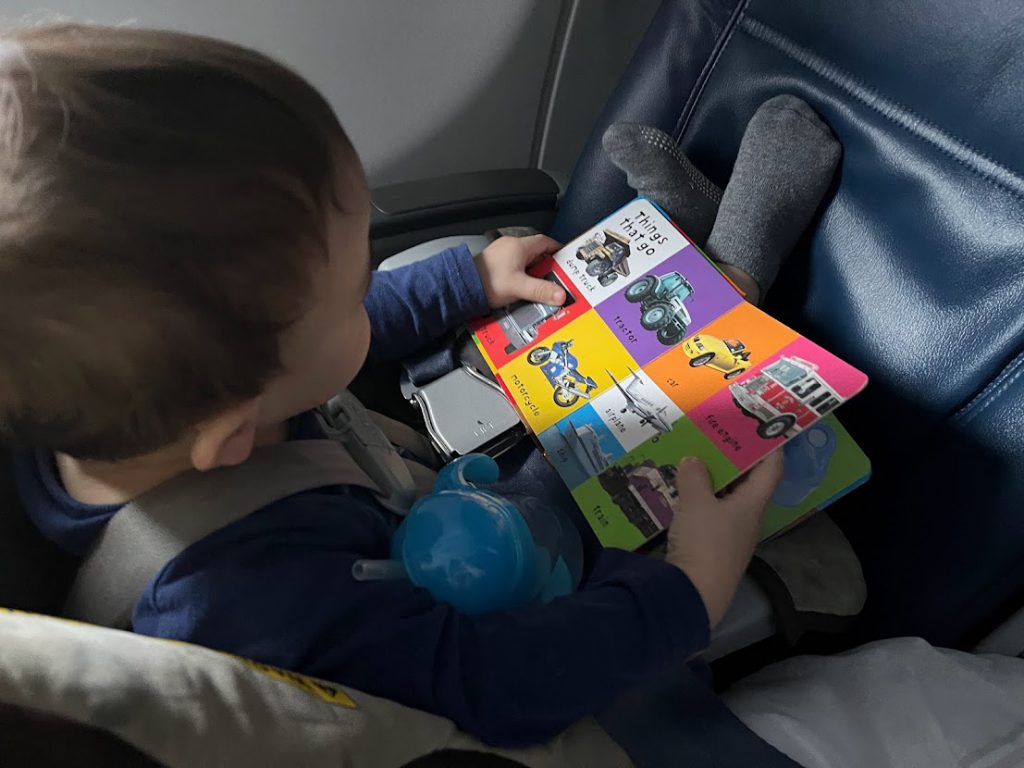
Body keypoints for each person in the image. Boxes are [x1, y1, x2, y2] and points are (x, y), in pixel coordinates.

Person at [2, 23, 836, 752]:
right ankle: (737, 270)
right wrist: (689, 587)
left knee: (518, 310)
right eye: (347, 291)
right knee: (598, 455)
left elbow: (323, 340)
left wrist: (470, 280)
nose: (368, 287)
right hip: (457, 577)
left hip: (382, 490)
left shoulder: (129, 417)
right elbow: (499, 685)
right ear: (233, 432)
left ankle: (678, 249)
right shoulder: (260, 609)